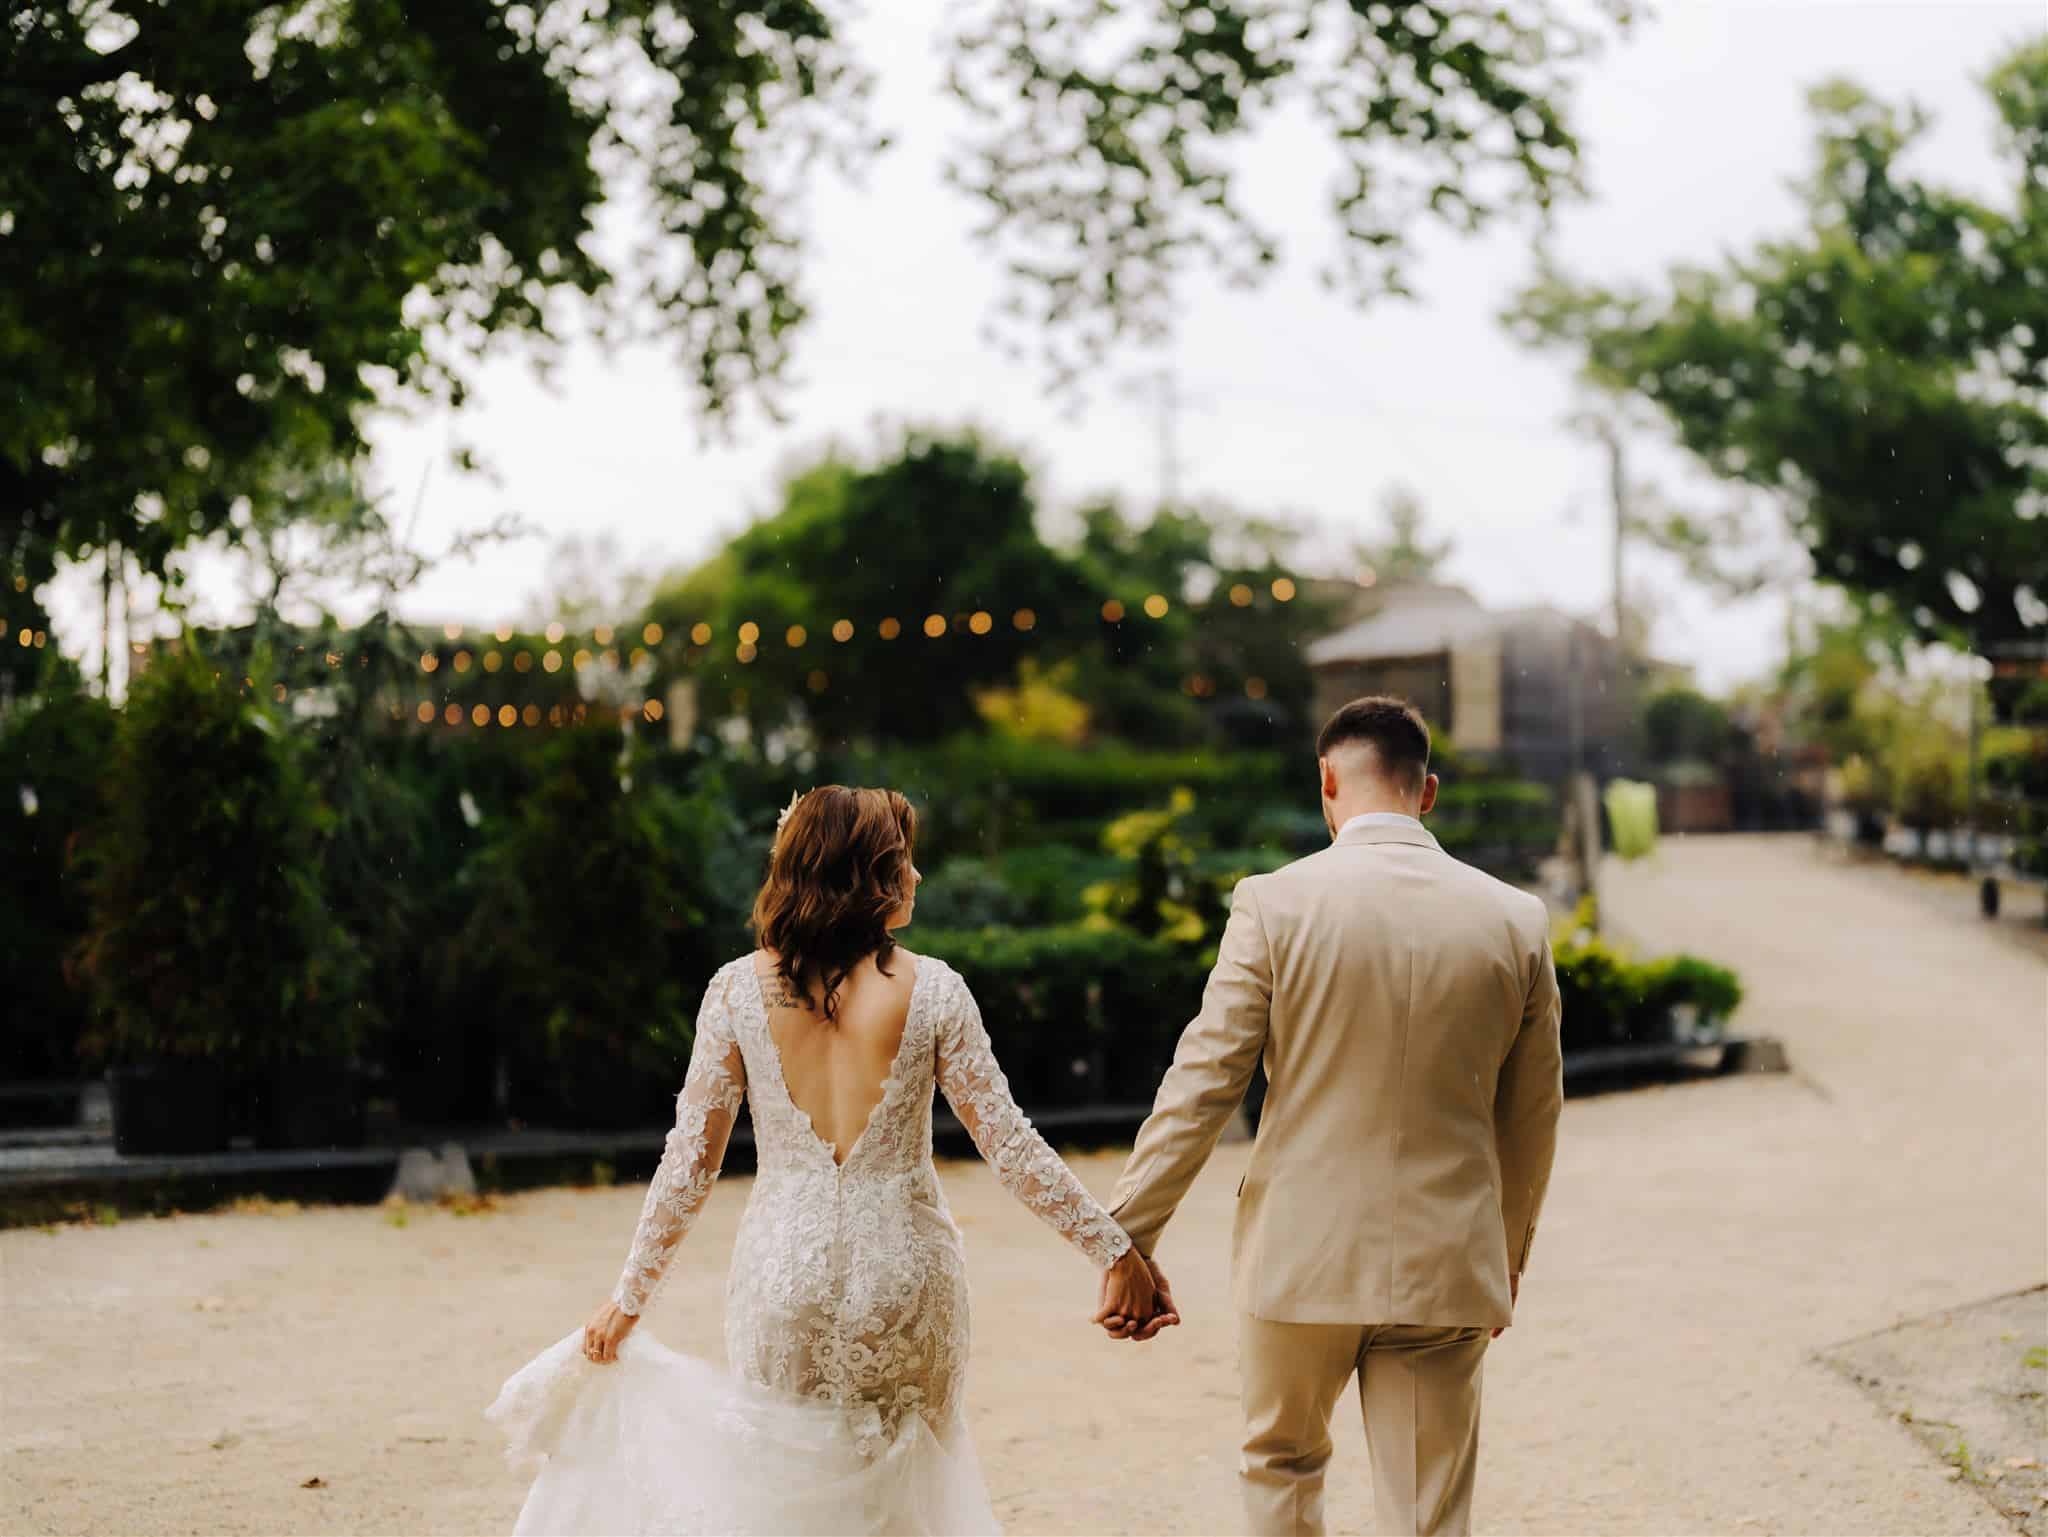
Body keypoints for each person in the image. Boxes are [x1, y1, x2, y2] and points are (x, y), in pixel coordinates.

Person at [485, 785, 1174, 1536]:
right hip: (908, 1287)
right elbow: (1009, 1146)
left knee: (784, 1497)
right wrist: (1113, 1247)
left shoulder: (736, 992)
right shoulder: (935, 990)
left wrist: (627, 1300)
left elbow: (690, 1163)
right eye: (902, 862)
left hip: (786, 1287)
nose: (916, 879)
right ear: (865, 878)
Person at [1095, 695, 1564, 1537]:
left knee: (1282, 1465)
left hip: (1300, 1253)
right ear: (1427, 792)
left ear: (1327, 780)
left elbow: (1204, 1079)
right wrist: (1507, 1247)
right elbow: (1532, 1114)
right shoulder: (1514, 918)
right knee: (1426, 1513)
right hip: (1447, 1255)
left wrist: (1128, 1235)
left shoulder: (1276, 903)